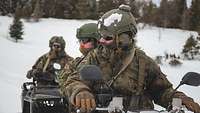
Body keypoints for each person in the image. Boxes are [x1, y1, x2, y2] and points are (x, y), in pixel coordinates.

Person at [61, 5, 200, 113]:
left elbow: (162, 90)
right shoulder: (94, 57)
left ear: (124, 37)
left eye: (108, 37)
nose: (101, 41)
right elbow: (74, 81)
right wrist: (81, 92)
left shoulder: (143, 62)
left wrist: (179, 98)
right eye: (100, 36)